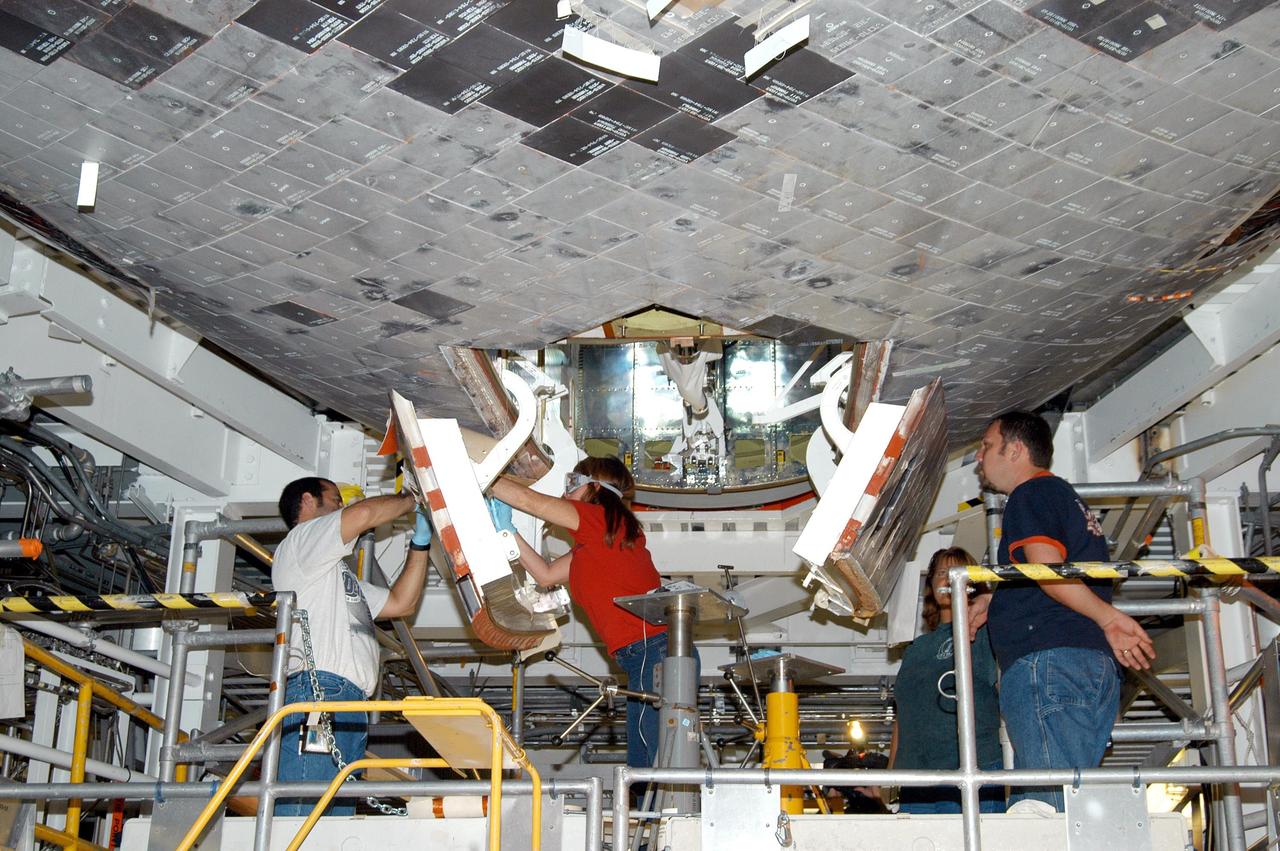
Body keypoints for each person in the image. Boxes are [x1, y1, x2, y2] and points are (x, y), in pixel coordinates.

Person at [969, 411, 1155, 812]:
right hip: (1081, 665)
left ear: (1014, 450)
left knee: (1048, 809)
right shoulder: (1065, 497)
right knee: (1072, 805)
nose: (979, 458)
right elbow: (1051, 575)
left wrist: (1109, 617)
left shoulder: (1030, 494)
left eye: (986, 446)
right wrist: (997, 599)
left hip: (1048, 666)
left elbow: (1048, 570)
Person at [489, 456, 688, 769]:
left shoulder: (598, 519)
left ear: (595, 488)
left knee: (655, 762)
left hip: (655, 653)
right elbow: (545, 575)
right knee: (646, 763)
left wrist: (478, 476)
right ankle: (653, 817)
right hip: (643, 657)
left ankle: (666, 817)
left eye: (572, 483)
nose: (566, 492)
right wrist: (508, 532)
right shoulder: (594, 542)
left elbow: (532, 502)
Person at [273, 477, 433, 816]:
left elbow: (400, 604)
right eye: (335, 499)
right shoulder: (301, 541)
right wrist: (413, 499)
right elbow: (362, 515)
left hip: (347, 703)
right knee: (305, 816)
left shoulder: (334, 577)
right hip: (318, 694)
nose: (341, 507)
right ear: (308, 501)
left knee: (331, 823)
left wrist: (420, 544)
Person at [890, 547, 1004, 814]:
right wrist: (889, 779)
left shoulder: (987, 633)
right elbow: (903, 718)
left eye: (957, 572)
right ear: (930, 586)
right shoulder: (915, 649)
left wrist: (988, 600)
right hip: (917, 781)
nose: (948, 579)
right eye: (942, 573)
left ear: (972, 584)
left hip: (973, 771)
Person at [822, 749, 890, 814]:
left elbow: (880, 761)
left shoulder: (869, 786)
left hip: (865, 809)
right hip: (863, 808)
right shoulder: (868, 787)